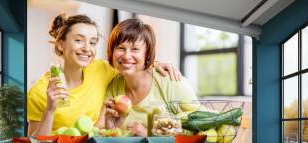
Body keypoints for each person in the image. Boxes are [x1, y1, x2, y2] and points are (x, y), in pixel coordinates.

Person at [27, 14, 182, 136]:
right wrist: (50, 109)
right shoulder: (39, 91)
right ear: (60, 44)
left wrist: (153, 64)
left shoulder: (100, 69)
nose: (87, 49)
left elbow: (128, 63)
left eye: (93, 42)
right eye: (79, 40)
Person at [101, 18, 199, 136]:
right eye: (121, 48)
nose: (127, 56)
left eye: (135, 49)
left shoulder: (170, 80)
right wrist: (111, 127)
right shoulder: (113, 86)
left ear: (147, 53)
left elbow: (199, 125)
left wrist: (151, 135)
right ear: (112, 51)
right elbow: (109, 135)